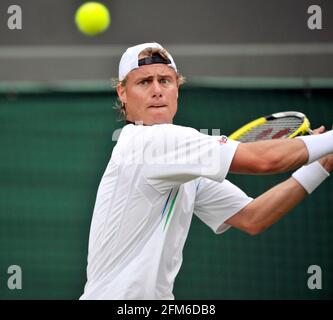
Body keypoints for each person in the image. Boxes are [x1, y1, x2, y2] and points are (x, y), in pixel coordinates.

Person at [80, 42, 333, 300]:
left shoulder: (180, 162)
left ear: (176, 88)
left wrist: (319, 167)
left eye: (165, 80)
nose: (157, 91)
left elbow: (252, 217)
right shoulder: (151, 141)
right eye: (144, 82)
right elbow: (265, 160)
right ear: (122, 92)